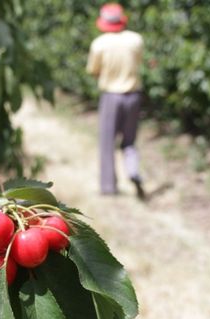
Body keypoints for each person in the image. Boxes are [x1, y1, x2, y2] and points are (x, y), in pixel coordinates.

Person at [86, 3, 145, 199]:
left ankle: (109, 187)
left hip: (112, 96)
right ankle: (133, 171)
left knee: (107, 142)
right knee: (129, 141)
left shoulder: (100, 44)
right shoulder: (136, 40)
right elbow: (138, 62)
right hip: (134, 95)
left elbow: (93, 70)